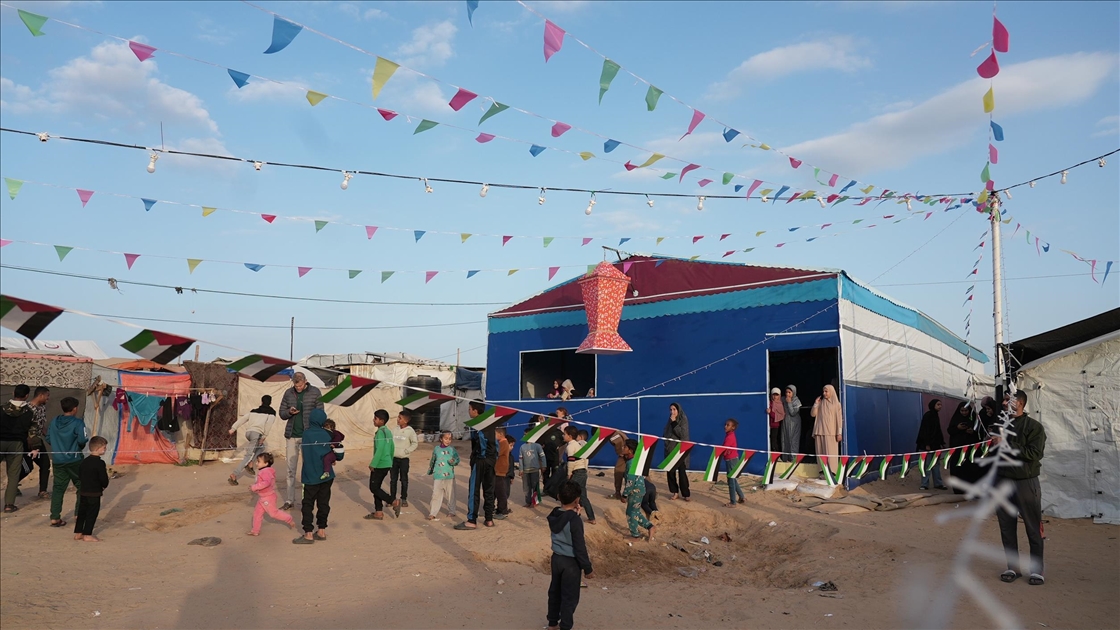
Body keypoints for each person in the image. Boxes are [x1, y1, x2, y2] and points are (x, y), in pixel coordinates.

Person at [995, 390, 1047, 586]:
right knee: (1006, 527)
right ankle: (1013, 567)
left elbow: (1034, 453)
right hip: (1003, 482)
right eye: (1004, 400)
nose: (1004, 403)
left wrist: (1007, 444)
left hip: (1026, 482)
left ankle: (1037, 570)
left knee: (1033, 527)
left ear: (1020, 403)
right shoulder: (1000, 426)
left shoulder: (1034, 427)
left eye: (1008, 400)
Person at [546, 481, 594, 630]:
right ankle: (565, 626)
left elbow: (563, 517)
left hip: (556, 558)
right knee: (569, 597)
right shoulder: (575, 520)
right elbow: (579, 547)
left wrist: (572, 513)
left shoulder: (554, 514)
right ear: (577, 500)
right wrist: (587, 568)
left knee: (555, 592)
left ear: (559, 496)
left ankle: (552, 623)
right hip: (571, 563)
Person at [293, 409, 339, 544]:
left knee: (307, 503)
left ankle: (308, 533)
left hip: (310, 476)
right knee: (323, 502)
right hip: (327, 475)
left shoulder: (306, 434)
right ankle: (321, 530)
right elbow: (336, 452)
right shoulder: (328, 434)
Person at [279, 372, 323, 510]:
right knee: (290, 469)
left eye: (300, 385)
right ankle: (289, 500)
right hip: (292, 435)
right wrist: (289, 412)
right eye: (296, 385)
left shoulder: (315, 392)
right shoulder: (288, 393)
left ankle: (306, 499)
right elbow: (281, 413)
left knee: (307, 468)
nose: (298, 388)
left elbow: (321, 414)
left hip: (308, 436)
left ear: (305, 381)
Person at [456, 400, 497, 530]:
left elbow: (482, 442)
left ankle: (472, 520)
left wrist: (477, 458)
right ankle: (489, 519)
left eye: (470, 409)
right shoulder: (490, 423)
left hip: (481, 460)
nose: (469, 411)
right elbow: (495, 444)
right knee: (489, 490)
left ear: (475, 410)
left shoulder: (478, 424)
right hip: (491, 461)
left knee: (474, 490)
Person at [47, 397, 87, 527]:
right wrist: (77, 447)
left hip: (58, 460)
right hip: (75, 459)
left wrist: (58, 446)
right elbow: (82, 440)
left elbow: (48, 438)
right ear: (75, 409)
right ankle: (78, 514)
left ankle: (54, 517)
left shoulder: (54, 421)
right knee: (82, 485)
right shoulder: (78, 423)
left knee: (58, 488)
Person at [227, 395, 277, 486]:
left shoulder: (254, 411)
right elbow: (268, 425)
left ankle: (250, 463)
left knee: (261, 447)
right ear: (270, 403)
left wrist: (233, 428)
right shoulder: (271, 413)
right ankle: (234, 474)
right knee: (248, 455)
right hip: (256, 434)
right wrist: (263, 437)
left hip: (248, 433)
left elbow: (243, 419)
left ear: (261, 402)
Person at [1, 384, 36, 512]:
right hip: (16, 444)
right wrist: (35, 447)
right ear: (27, 396)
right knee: (14, 474)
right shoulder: (29, 412)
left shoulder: (1, 408)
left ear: (13, 393)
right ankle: (9, 505)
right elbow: (33, 433)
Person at [248, 452, 294, 536]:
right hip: (263, 497)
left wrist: (254, 487)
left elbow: (266, 483)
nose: (256, 463)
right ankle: (255, 530)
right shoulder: (265, 471)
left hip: (267, 498)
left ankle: (288, 518)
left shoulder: (265, 472)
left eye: (258, 461)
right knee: (257, 513)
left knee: (273, 513)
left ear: (266, 463)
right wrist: (255, 487)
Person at [73, 435, 109, 542]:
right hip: (94, 492)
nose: (105, 449)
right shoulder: (99, 463)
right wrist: (104, 485)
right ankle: (87, 534)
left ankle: (78, 533)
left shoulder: (84, 462)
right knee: (92, 513)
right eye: (104, 448)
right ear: (97, 448)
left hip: (83, 491)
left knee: (82, 512)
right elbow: (103, 478)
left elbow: (79, 475)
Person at [365, 409, 397, 520]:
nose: (373, 420)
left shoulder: (380, 433)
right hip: (387, 462)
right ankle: (378, 512)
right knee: (377, 487)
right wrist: (390, 461)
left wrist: (373, 463)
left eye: (375, 418)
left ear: (382, 421)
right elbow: (392, 447)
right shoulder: (388, 432)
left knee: (373, 487)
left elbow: (379, 449)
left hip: (380, 463)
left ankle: (393, 501)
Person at [948, 401, 983, 491]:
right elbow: (950, 431)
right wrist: (957, 428)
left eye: (966, 410)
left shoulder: (973, 418)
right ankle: (958, 489)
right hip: (958, 450)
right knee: (958, 468)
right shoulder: (955, 419)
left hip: (971, 450)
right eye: (962, 411)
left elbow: (980, 433)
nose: (964, 413)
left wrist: (973, 432)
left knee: (970, 468)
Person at [564, 427, 596, 525]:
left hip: (576, 472)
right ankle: (591, 518)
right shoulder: (578, 445)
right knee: (583, 496)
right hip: (582, 472)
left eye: (564, 434)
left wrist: (569, 474)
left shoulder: (570, 447)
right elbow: (585, 459)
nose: (563, 436)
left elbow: (571, 462)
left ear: (570, 436)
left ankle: (572, 516)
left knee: (570, 494)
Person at [427, 431, 460, 520]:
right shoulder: (436, 449)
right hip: (438, 476)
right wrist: (430, 470)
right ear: (441, 439)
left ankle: (452, 511)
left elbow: (457, 459)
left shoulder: (452, 450)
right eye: (446, 438)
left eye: (450, 439)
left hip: (449, 477)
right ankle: (433, 513)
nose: (448, 441)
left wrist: (453, 461)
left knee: (450, 495)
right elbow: (433, 460)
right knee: (436, 495)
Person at [916, 399, 948, 491]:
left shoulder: (935, 415)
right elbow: (925, 431)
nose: (940, 406)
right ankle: (924, 484)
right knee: (926, 464)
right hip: (926, 446)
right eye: (938, 404)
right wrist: (927, 444)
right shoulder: (928, 415)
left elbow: (937, 431)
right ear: (933, 405)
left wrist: (942, 443)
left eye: (940, 404)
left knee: (936, 464)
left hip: (935, 445)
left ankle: (938, 483)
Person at [389, 409, 418, 507]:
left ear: (406, 421)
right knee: (393, 480)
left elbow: (415, 443)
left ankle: (403, 498)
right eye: (398, 417)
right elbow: (390, 441)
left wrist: (406, 451)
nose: (398, 419)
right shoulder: (395, 430)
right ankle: (392, 499)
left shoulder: (410, 431)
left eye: (400, 418)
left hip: (404, 459)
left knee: (404, 479)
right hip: (394, 459)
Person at [662, 402, 691, 501]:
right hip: (670, 450)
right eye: (671, 410)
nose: (672, 412)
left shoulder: (683, 419)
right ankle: (675, 492)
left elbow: (683, 435)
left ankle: (686, 494)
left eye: (674, 409)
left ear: (678, 410)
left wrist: (674, 422)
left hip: (680, 451)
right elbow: (666, 432)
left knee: (682, 473)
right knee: (670, 473)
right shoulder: (669, 419)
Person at [26, 386, 51, 499]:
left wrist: (49, 438)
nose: (48, 399)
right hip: (27, 441)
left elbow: (41, 426)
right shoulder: (27, 408)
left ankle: (42, 490)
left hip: (38, 440)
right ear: (41, 395)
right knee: (26, 468)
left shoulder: (42, 408)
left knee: (45, 464)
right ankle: (13, 486)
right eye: (47, 396)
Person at [811, 385, 843, 468]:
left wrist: (839, 433)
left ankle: (832, 471)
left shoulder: (836, 404)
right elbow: (813, 414)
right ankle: (822, 471)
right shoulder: (820, 403)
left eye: (826, 391)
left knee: (831, 453)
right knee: (820, 453)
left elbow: (839, 419)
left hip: (831, 432)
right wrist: (816, 404)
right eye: (823, 391)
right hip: (819, 431)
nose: (824, 393)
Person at [541, 409, 567, 498]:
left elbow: (565, 440)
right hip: (545, 456)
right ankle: (545, 489)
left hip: (555, 457)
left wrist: (559, 445)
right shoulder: (544, 432)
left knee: (555, 474)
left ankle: (554, 490)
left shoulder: (559, 433)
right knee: (545, 473)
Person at [722, 419, 746, 507]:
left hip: (731, 460)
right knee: (733, 479)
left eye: (728, 425)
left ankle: (733, 502)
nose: (725, 426)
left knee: (731, 481)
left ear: (733, 427)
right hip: (732, 459)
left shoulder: (730, 437)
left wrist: (721, 453)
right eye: (725, 424)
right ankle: (742, 497)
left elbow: (724, 449)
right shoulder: (729, 435)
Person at [520, 429, 545, 507]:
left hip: (535, 470)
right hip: (525, 471)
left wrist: (544, 465)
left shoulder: (537, 446)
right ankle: (528, 502)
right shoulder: (522, 447)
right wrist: (521, 469)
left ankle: (535, 502)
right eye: (524, 434)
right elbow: (521, 459)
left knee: (535, 486)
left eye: (526, 434)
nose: (525, 436)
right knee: (526, 487)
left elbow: (542, 456)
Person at [494, 427, 513, 518]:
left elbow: (497, 453)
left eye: (495, 434)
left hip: (500, 470)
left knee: (500, 491)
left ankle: (502, 510)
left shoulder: (503, 443)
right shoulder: (502, 443)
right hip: (499, 469)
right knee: (498, 490)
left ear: (501, 434)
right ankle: (500, 509)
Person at [780, 385, 802, 463]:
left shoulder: (796, 401)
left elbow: (793, 413)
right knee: (785, 439)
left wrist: (789, 403)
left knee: (793, 440)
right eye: (786, 392)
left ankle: (793, 459)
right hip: (786, 422)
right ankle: (785, 458)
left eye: (789, 392)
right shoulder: (783, 399)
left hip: (794, 423)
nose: (787, 394)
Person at [608, 429, 629, 501]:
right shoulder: (614, 432)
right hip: (628, 452)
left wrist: (621, 452)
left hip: (626, 454)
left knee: (618, 471)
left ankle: (617, 493)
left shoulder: (611, 434)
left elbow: (619, 441)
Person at [768, 388, 785, 455]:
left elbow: (780, 415)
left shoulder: (780, 404)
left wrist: (770, 412)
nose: (775, 397)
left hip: (775, 426)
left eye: (776, 395)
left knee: (774, 440)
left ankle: (776, 455)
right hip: (768, 425)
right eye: (773, 395)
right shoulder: (769, 403)